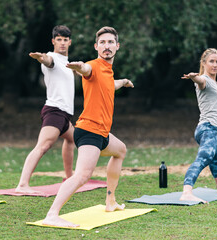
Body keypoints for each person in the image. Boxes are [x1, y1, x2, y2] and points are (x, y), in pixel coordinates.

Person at [42, 26, 134, 227]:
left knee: (120, 151)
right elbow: (87, 70)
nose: (106, 46)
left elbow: (110, 84)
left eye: (110, 42)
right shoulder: (93, 66)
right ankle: (52, 214)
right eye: (102, 43)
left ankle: (110, 200)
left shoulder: (108, 72)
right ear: (96, 47)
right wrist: (79, 67)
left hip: (102, 132)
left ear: (117, 46)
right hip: (89, 130)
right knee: (83, 175)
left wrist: (124, 81)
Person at [15, 25, 76, 194]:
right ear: (53, 41)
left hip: (64, 115)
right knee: (42, 146)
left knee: (72, 139)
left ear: (69, 42)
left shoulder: (67, 62)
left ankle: (69, 178)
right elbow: (48, 62)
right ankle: (22, 185)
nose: (62, 43)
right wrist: (41, 58)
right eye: (59, 40)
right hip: (55, 111)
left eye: (65, 40)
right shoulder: (52, 58)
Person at [180, 48, 217, 203]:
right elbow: (200, 81)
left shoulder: (214, 84)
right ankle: (187, 191)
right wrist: (194, 77)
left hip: (207, 128)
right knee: (204, 158)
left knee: (214, 157)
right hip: (209, 128)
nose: (215, 64)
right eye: (211, 61)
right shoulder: (204, 80)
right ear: (204, 63)